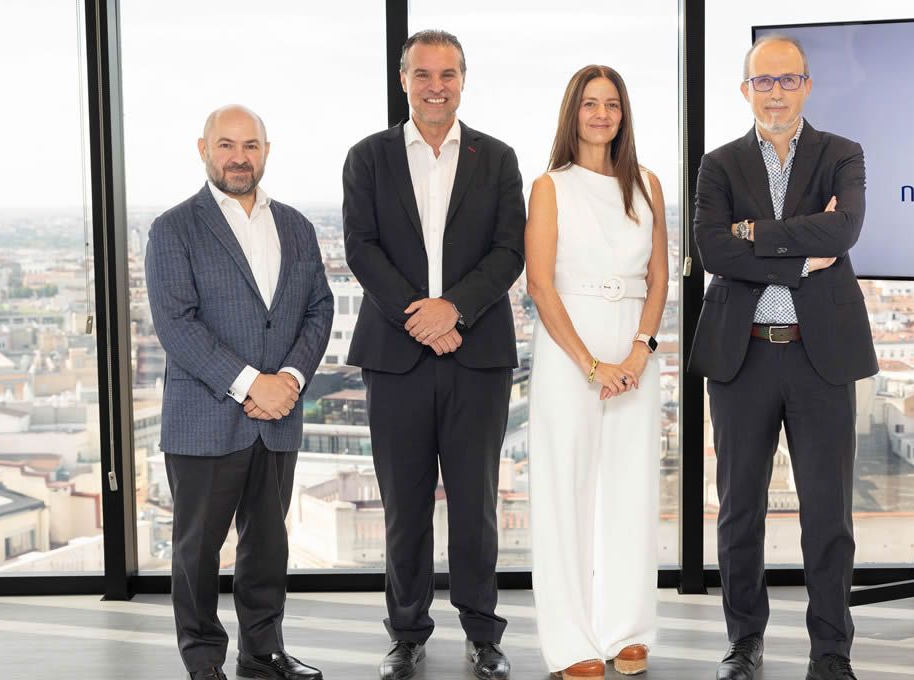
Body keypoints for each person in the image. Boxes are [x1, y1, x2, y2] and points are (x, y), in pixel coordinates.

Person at [690, 35, 878, 680]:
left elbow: (844, 229)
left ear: (806, 85)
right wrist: (801, 255)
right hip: (742, 359)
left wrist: (756, 236)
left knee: (829, 514)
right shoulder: (718, 165)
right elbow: (714, 251)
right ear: (745, 90)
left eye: (786, 80)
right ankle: (745, 644)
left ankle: (831, 653)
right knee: (740, 510)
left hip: (818, 359)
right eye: (762, 81)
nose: (774, 91)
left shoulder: (841, 153)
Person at [341, 29, 526, 680]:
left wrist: (456, 309)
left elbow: (510, 250)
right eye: (423, 74)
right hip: (396, 357)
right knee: (405, 505)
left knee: (475, 506)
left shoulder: (497, 158)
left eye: (447, 74)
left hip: (478, 356)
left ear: (463, 80)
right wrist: (422, 314)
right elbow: (361, 247)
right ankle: (407, 634)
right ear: (404, 80)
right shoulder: (368, 157)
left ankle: (483, 634)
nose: (436, 86)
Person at [145, 105, 333, 680]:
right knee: (198, 550)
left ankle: (262, 650)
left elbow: (318, 309)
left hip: (278, 415)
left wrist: (292, 381)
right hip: (205, 417)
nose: (238, 157)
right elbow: (177, 324)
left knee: (268, 544)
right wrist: (256, 384)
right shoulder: (173, 228)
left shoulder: (297, 226)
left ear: (266, 151)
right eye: (225, 145)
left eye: (249, 145)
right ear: (202, 149)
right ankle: (203, 661)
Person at [525, 65, 668, 680]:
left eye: (612, 104)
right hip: (569, 346)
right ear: (573, 112)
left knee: (631, 490)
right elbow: (539, 283)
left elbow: (660, 277)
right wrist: (591, 364)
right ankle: (571, 643)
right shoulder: (551, 186)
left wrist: (638, 352)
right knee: (565, 491)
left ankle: (626, 631)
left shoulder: (648, 184)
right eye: (590, 104)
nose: (602, 114)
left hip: (634, 344)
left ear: (623, 113)